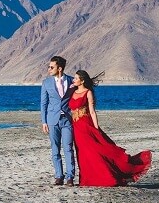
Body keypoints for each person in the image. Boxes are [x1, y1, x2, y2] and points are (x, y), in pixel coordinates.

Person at [69, 70, 151, 186]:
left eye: (76, 78)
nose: (73, 80)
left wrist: (96, 128)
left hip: (86, 125)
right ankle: (87, 178)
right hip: (76, 128)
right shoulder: (72, 91)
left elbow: (92, 112)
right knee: (83, 153)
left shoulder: (88, 93)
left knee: (96, 150)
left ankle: (108, 176)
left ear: (82, 81)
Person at [40, 56, 75, 186]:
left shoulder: (72, 81)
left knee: (68, 148)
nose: (49, 69)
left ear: (59, 68)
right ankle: (59, 176)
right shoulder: (46, 83)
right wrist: (44, 121)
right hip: (52, 120)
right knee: (55, 149)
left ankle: (70, 177)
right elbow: (44, 103)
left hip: (67, 120)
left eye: (51, 67)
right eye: (49, 67)